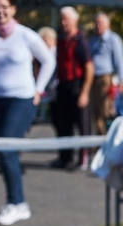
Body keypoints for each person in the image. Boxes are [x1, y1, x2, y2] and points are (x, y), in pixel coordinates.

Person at [0, 0, 56, 226]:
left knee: (7, 150)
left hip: (21, 99)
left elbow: (48, 60)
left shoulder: (25, 35)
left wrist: (39, 89)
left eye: (4, 7)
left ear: (12, 9)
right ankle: (15, 200)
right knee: (4, 151)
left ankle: (17, 204)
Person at [50, 6, 93, 171]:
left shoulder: (80, 40)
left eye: (66, 19)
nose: (63, 23)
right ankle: (65, 156)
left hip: (77, 84)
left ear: (74, 21)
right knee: (62, 123)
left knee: (82, 124)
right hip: (62, 85)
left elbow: (89, 66)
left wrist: (85, 91)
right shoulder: (60, 40)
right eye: (61, 19)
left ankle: (84, 158)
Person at [89, 13, 123, 136]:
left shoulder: (113, 39)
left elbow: (119, 60)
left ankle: (108, 139)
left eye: (101, 23)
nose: (98, 26)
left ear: (107, 24)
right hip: (91, 78)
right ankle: (99, 140)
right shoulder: (93, 40)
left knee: (106, 111)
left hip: (104, 78)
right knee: (94, 112)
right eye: (96, 23)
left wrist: (122, 80)